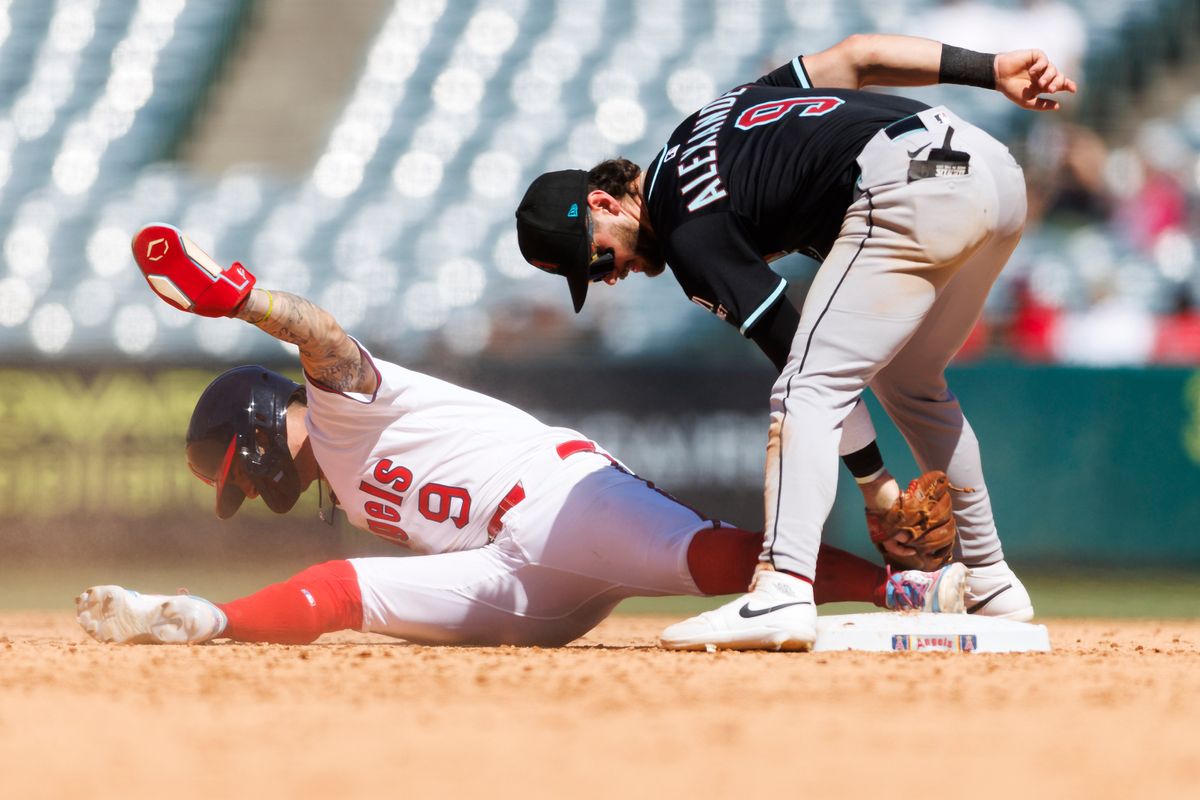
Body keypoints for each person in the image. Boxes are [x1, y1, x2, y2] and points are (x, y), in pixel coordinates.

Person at [76, 224, 967, 649]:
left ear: (258, 433)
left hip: (556, 502)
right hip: (511, 586)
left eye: (241, 473)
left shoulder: (343, 403)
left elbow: (322, 335)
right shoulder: (342, 490)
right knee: (340, 587)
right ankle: (202, 620)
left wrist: (239, 299)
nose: (253, 489)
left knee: (714, 559)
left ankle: (904, 593)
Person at [516, 34, 1077, 650]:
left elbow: (797, 354)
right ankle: (994, 584)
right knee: (911, 383)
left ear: (604, 202)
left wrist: (876, 486)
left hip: (908, 182)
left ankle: (782, 587)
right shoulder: (710, 118)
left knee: (805, 390)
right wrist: (990, 69)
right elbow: (859, 57)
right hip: (980, 165)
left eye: (595, 260)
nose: (607, 276)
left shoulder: (687, 231)